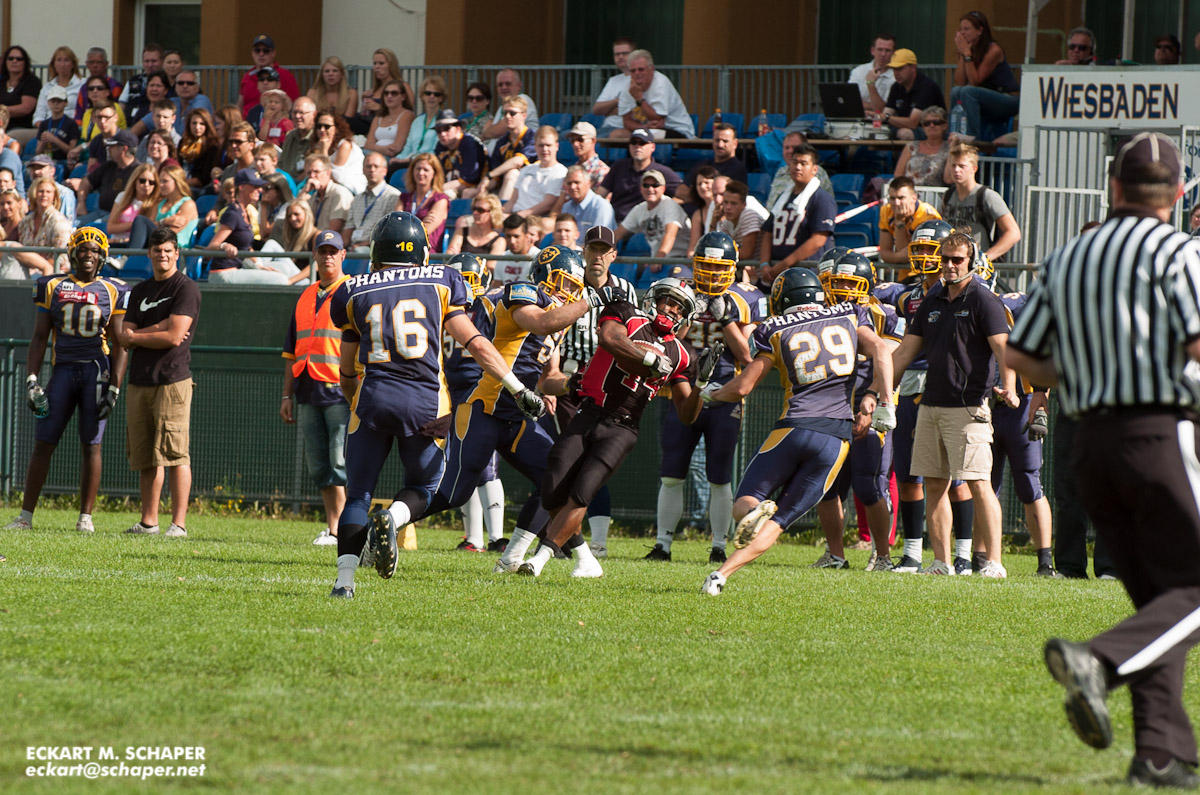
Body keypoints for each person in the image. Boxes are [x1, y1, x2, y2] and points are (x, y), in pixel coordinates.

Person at [1006, 132, 1200, 789]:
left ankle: (1159, 754)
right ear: (1178, 194)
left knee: (1161, 602)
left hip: (1089, 442)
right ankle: (1100, 661)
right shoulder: (1180, 252)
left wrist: (1090, 370)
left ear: (1114, 187)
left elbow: (1022, 355)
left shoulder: (1069, 256)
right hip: (1158, 436)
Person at [325, 212, 548, 597]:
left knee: (358, 493)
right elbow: (477, 344)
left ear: (377, 250)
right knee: (425, 486)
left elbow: (346, 372)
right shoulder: (442, 280)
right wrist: (516, 387)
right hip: (424, 404)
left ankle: (344, 583)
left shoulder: (352, 290)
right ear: (421, 251)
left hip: (372, 399)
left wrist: (356, 403)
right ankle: (393, 517)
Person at [374, 245, 595, 577]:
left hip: (516, 415)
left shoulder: (559, 318)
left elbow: (547, 379)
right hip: (484, 409)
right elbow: (542, 323)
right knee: (454, 492)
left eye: (575, 288)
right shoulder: (523, 294)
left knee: (556, 478)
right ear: (543, 275)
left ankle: (512, 556)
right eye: (564, 283)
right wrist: (591, 301)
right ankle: (388, 520)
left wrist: (570, 384)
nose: (568, 293)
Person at [699, 267, 894, 595]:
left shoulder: (773, 328)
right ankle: (718, 577)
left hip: (793, 428)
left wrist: (713, 394)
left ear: (781, 299)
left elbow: (743, 387)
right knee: (780, 522)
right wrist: (884, 400)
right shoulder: (849, 314)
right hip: (835, 437)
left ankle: (749, 525)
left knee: (744, 503)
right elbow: (883, 350)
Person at [519, 276, 706, 578]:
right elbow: (610, 339)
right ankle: (586, 560)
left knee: (582, 493)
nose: (671, 309)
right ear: (654, 299)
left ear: (685, 315)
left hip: (623, 427)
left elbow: (686, 414)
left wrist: (702, 384)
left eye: (679, 307)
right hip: (590, 412)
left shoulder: (683, 355)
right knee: (552, 489)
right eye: (668, 301)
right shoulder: (627, 314)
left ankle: (539, 559)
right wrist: (650, 359)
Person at [889, 230, 1017, 577]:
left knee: (978, 483)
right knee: (934, 483)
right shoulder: (932, 299)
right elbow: (905, 351)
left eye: (957, 259)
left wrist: (1009, 386)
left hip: (969, 405)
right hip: (931, 403)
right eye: (944, 259)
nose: (949, 265)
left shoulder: (984, 299)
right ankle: (941, 562)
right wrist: (880, 391)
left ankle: (994, 562)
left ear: (971, 262)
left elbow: (1003, 348)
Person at [650, 231, 765, 564]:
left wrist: (726, 318)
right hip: (683, 389)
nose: (712, 273)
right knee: (672, 472)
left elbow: (747, 355)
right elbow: (667, 341)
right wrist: (688, 314)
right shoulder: (681, 289)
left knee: (719, 474)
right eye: (706, 266)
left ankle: (718, 546)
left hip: (723, 393)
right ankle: (662, 545)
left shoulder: (746, 297)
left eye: (719, 268)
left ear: (732, 269)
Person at [3, 228, 127, 534]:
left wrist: (114, 386)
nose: (89, 255)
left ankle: (85, 517)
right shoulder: (52, 286)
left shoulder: (113, 289)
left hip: (96, 371)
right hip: (62, 371)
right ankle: (25, 516)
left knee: (92, 444)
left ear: (103, 256)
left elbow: (121, 343)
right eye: (83, 249)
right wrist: (32, 379)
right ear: (72, 253)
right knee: (43, 441)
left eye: (95, 251)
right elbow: (39, 337)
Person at [540, 226, 637, 555]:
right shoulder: (569, 282)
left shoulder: (625, 289)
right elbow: (552, 331)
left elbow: (634, 334)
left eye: (603, 250)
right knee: (567, 463)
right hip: (570, 381)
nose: (597, 256)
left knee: (593, 465)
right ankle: (566, 540)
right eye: (592, 249)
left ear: (613, 255)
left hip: (608, 384)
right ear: (583, 251)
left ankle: (595, 542)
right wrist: (550, 379)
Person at [888, 220, 975, 574]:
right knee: (910, 473)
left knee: (957, 478)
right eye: (919, 249)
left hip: (948, 386)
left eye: (931, 249)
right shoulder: (906, 296)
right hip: (909, 384)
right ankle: (912, 552)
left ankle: (963, 554)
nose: (925, 256)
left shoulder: (967, 292)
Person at [810, 249, 903, 569]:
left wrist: (872, 405)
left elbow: (889, 362)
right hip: (831, 408)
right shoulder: (822, 313)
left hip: (869, 406)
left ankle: (883, 555)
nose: (845, 289)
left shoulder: (885, 315)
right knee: (826, 485)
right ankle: (835, 554)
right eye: (839, 282)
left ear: (867, 284)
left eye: (852, 283)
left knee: (869, 484)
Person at [117, 225, 200, 538]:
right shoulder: (140, 290)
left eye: (168, 250)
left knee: (175, 453)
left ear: (177, 253)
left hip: (172, 380)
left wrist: (138, 335)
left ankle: (178, 524)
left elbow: (174, 336)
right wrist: (157, 329)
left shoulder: (185, 288)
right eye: (157, 250)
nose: (162, 255)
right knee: (145, 455)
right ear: (149, 253)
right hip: (140, 380)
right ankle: (148, 522)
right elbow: (122, 336)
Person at [281, 230, 352, 547]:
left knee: (340, 462)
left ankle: (345, 530)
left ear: (343, 255)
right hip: (307, 390)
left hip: (340, 390)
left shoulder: (352, 292)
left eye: (333, 251)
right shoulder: (306, 295)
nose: (327, 256)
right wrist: (287, 394)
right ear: (314, 255)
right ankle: (334, 527)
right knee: (320, 465)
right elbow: (291, 352)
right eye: (322, 251)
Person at [991, 289, 1058, 577]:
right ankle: (982, 557)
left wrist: (1041, 400)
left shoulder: (1023, 307)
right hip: (988, 402)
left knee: (1029, 483)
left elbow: (1044, 352)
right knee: (984, 485)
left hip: (1023, 403)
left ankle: (1045, 561)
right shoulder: (978, 304)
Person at [757, 143, 837, 288]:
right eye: (794, 162)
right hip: (776, 272)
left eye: (803, 163)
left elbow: (818, 240)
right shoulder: (782, 197)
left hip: (806, 275)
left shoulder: (821, 198)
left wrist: (785, 264)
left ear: (814, 169)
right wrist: (764, 264)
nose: (797, 167)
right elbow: (767, 233)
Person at [941, 141, 1021, 261]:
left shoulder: (987, 196)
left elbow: (1013, 232)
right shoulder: (948, 195)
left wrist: (985, 258)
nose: (956, 170)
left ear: (974, 169)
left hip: (976, 263)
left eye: (962, 166)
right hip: (952, 262)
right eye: (953, 165)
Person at [950, 11, 1020, 141]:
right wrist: (962, 54)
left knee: (968, 91)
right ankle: (955, 134)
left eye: (966, 29)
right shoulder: (968, 49)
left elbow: (975, 81)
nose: (962, 33)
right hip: (986, 97)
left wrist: (967, 55)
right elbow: (960, 81)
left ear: (979, 31)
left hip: (1008, 99)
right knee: (956, 91)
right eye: (961, 29)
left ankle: (972, 138)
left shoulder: (994, 50)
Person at [596, 129, 682, 223]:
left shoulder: (662, 172)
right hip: (614, 221)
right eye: (634, 142)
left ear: (653, 147)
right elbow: (600, 195)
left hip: (643, 225)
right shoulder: (619, 166)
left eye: (642, 143)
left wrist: (663, 207)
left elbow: (684, 195)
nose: (637, 146)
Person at [615, 168, 690, 269]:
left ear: (663, 188)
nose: (650, 189)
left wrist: (658, 259)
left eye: (655, 185)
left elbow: (670, 235)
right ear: (641, 188)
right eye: (646, 185)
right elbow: (618, 234)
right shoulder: (639, 209)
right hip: (657, 259)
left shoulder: (670, 206)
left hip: (680, 260)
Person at [612, 49, 694, 140]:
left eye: (641, 69)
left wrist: (639, 98)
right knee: (616, 135)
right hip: (646, 130)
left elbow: (656, 119)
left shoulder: (661, 83)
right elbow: (626, 122)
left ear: (651, 69)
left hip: (677, 130)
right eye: (633, 70)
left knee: (645, 138)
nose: (637, 73)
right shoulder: (627, 87)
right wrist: (644, 127)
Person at [73, 128, 138, 222]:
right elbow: (86, 182)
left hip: (120, 217)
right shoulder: (108, 165)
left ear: (124, 149)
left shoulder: (138, 171)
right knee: (74, 225)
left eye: (112, 146)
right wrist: (81, 203)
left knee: (92, 228)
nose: (108, 149)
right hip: (100, 212)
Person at [881, 49, 946, 140]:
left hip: (929, 129)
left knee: (904, 133)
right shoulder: (896, 87)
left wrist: (886, 117)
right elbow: (886, 114)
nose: (896, 73)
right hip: (906, 128)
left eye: (900, 68)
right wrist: (875, 117)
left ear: (913, 67)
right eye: (894, 69)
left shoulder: (927, 87)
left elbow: (913, 123)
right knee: (879, 131)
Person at [878, 176, 941, 268]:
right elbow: (885, 252)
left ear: (914, 198)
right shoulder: (886, 211)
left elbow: (911, 256)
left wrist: (900, 222)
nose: (896, 203)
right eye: (892, 198)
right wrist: (897, 257)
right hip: (904, 270)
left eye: (901, 198)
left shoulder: (927, 216)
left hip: (925, 269)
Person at [678, 123, 747, 206]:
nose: (720, 145)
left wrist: (696, 195)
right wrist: (703, 196)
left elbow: (726, 198)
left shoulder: (737, 169)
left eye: (725, 141)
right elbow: (680, 190)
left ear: (735, 143)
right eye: (717, 140)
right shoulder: (704, 164)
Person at [344, 151, 399, 253]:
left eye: (376, 166)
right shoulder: (357, 199)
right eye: (368, 166)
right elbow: (349, 228)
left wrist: (361, 245)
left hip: (376, 248)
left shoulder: (393, 196)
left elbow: (389, 232)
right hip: (353, 247)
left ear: (385, 171)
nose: (372, 170)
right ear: (363, 170)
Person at [506, 125, 566, 218]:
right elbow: (512, 201)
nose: (544, 149)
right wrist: (499, 215)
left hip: (534, 219)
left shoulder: (560, 172)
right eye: (541, 145)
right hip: (514, 216)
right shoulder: (526, 169)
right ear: (535, 147)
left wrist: (517, 217)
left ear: (556, 146)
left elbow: (547, 205)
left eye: (548, 145)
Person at [484, 96, 536, 201]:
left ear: (524, 115)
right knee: (470, 192)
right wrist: (483, 185)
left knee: (512, 173)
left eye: (512, 113)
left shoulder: (533, 137)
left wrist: (490, 175)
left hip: (530, 188)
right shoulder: (501, 142)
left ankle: (502, 210)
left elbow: (518, 161)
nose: (507, 116)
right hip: (504, 188)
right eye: (505, 113)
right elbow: (495, 176)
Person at [398, 152, 449, 251]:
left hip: (425, 251)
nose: (421, 173)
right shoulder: (403, 198)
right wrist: (421, 223)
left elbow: (425, 231)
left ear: (434, 173)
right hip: (402, 248)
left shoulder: (440, 200)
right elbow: (395, 225)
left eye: (426, 170)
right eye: (418, 169)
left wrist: (405, 225)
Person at [391, 76, 445, 168]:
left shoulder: (442, 120)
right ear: (423, 96)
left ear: (441, 98)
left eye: (436, 94)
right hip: (410, 161)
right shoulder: (417, 121)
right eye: (428, 93)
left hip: (429, 162)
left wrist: (411, 159)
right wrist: (398, 158)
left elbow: (436, 150)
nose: (431, 96)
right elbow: (408, 147)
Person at [433, 109, 487, 199]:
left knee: (444, 194)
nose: (442, 134)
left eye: (446, 128)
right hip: (452, 186)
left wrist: (437, 188)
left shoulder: (469, 144)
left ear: (458, 129)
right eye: (438, 130)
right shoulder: (441, 146)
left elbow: (468, 180)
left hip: (477, 187)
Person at [350, 48, 404, 136]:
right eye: (375, 63)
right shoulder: (375, 89)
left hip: (383, 127)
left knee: (347, 121)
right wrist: (364, 102)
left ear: (391, 65)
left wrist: (380, 108)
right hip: (366, 123)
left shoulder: (402, 86)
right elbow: (364, 115)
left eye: (381, 63)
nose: (377, 67)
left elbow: (407, 112)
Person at [238, 35, 300, 112]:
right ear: (252, 53)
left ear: (273, 53)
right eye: (257, 50)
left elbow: (294, 104)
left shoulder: (285, 75)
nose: (261, 54)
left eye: (265, 51)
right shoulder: (247, 76)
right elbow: (240, 105)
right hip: (248, 118)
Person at [480, 69, 540, 148]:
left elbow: (500, 130)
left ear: (519, 85)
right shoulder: (503, 106)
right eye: (500, 84)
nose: (504, 87)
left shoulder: (523, 100)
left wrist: (485, 134)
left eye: (508, 84)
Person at [105, 162, 159, 249]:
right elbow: (110, 228)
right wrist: (136, 224)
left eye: (151, 182)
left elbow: (148, 228)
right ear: (135, 181)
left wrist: (138, 224)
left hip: (139, 245)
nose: (146, 185)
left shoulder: (155, 203)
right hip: (118, 242)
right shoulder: (122, 196)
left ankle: (129, 256)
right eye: (142, 181)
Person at [310, 110, 365, 195]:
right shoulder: (319, 144)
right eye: (319, 126)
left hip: (349, 187)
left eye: (327, 126)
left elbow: (334, 176)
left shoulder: (345, 145)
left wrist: (324, 151)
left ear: (337, 128)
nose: (322, 130)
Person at [893, 105, 950, 186]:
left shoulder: (950, 148)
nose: (931, 125)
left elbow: (949, 179)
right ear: (923, 127)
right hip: (909, 190)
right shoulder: (911, 146)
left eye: (936, 122)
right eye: (927, 123)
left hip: (937, 192)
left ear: (945, 125)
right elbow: (898, 174)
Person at [446, 193, 506, 266]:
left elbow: (491, 266)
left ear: (493, 213)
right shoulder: (461, 231)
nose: (475, 213)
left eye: (480, 210)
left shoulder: (499, 241)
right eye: (474, 209)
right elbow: (450, 255)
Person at [591, 36, 635, 136]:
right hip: (604, 127)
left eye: (625, 53)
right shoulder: (613, 80)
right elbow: (597, 109)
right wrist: (618, 100)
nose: (620, 57)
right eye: (617, 54)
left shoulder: (640, 78)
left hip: (622, 130)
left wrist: (608, 110)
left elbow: (634, 112)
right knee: (564, 135)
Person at [559, 165, 616, 241]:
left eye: (577, 182)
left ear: (588, 183)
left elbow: (599, 240)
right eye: (569, 183)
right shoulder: (567, 207)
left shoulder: (601, 206)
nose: (572, 187)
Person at [363, 79, 415, 163]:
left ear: (403, 97)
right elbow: (367, 144)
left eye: (394, 93)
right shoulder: (379, 116)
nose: (389, 96)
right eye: (386, 93)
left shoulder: (407, 115)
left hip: (390, 159)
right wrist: (385, 149)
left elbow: (396, 148)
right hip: (371, 155)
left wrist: (375, 147)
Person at [33, 46, 84, 127]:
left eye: (66, 60)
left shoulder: (83, 84)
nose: (62, 65)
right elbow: (38, 116)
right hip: (48, 127)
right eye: (59, 60)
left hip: (73, 128)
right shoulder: (47, 87)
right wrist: (45, 128)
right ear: (53, 64)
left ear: (73, 64)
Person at [302, 153, 352, 233]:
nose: (312, 176)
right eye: (308, 173)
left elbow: (333, 231)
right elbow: (295, 219)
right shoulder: (313, 197)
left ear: (328, 173)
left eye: (316, 172)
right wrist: (304, 192)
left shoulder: (339, 193)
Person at [715, 180, 762, 266]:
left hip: (765, 271)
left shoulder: (749, 215)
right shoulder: (727, 223)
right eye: (725, 202)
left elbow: (746, 253)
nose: (728, 207)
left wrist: (719, 253)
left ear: (744, 205)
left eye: (734, 203)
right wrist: (713, 222)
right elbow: (716, 245)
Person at [1, 45, 43, 140]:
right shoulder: (2, 82)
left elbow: (26, 108)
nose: (14, 61)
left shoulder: (32, 81)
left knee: (9, 136)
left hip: (21, 127)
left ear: (25, 62)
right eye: (10, 58)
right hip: (2, 125)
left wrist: (2, 110)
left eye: (19, 59)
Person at [849, 34, 897, 114]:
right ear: (872, 51)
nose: (883, 54)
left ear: (894, 53)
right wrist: (874, 106)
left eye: (888, 50)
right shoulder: (858, 71)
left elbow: (883, 110)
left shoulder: (896, 77)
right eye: (880, 50)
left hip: (881, 121)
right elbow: (850, 101)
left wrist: (870, 83)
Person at [178, 108, 221, 193]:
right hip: (181, 182)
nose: (197, 127)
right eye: (194, 123)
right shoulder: (183, 142)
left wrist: (181, 183)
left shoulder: (212, 145)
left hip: (199, 188)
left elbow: (203, 178)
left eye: (202, 124)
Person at [74, 47, 122, 123]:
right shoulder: (84, 88)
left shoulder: (115, 86)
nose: (95, 65)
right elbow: (78, 116)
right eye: (91, 62)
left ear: (106, 64)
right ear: (87, 64)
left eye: (99, 62)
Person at [35, 86, 80, 162]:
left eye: (59, 101)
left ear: (65, 103)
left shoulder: (71, 123)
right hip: (46, 160)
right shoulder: (44, 124)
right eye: (53, 101)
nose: (56, 104)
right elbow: (38, 152)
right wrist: (43, 142)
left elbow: (72, 150)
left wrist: (54, 140)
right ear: (48, 103)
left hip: (63, 160)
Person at [26, 154, 75, 219]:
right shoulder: (30, 193)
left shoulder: (64, 193)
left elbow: (66, 222)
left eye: (40, 168)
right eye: (33, 168)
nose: (36, 172)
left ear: (52, 171)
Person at [279, 97, 317, 180]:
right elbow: (281, 163)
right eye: (294, 112)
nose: (297, 116)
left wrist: (293, 183)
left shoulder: (317, 137)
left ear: (314, 114)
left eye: (301, 113)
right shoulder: (290, 135)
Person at [494, 214, 539, 285]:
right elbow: (497, 285)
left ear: (526, 235)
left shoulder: (538, 258)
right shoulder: (502, 257)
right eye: (508, 236)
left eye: (516, 236)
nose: (512, 241)